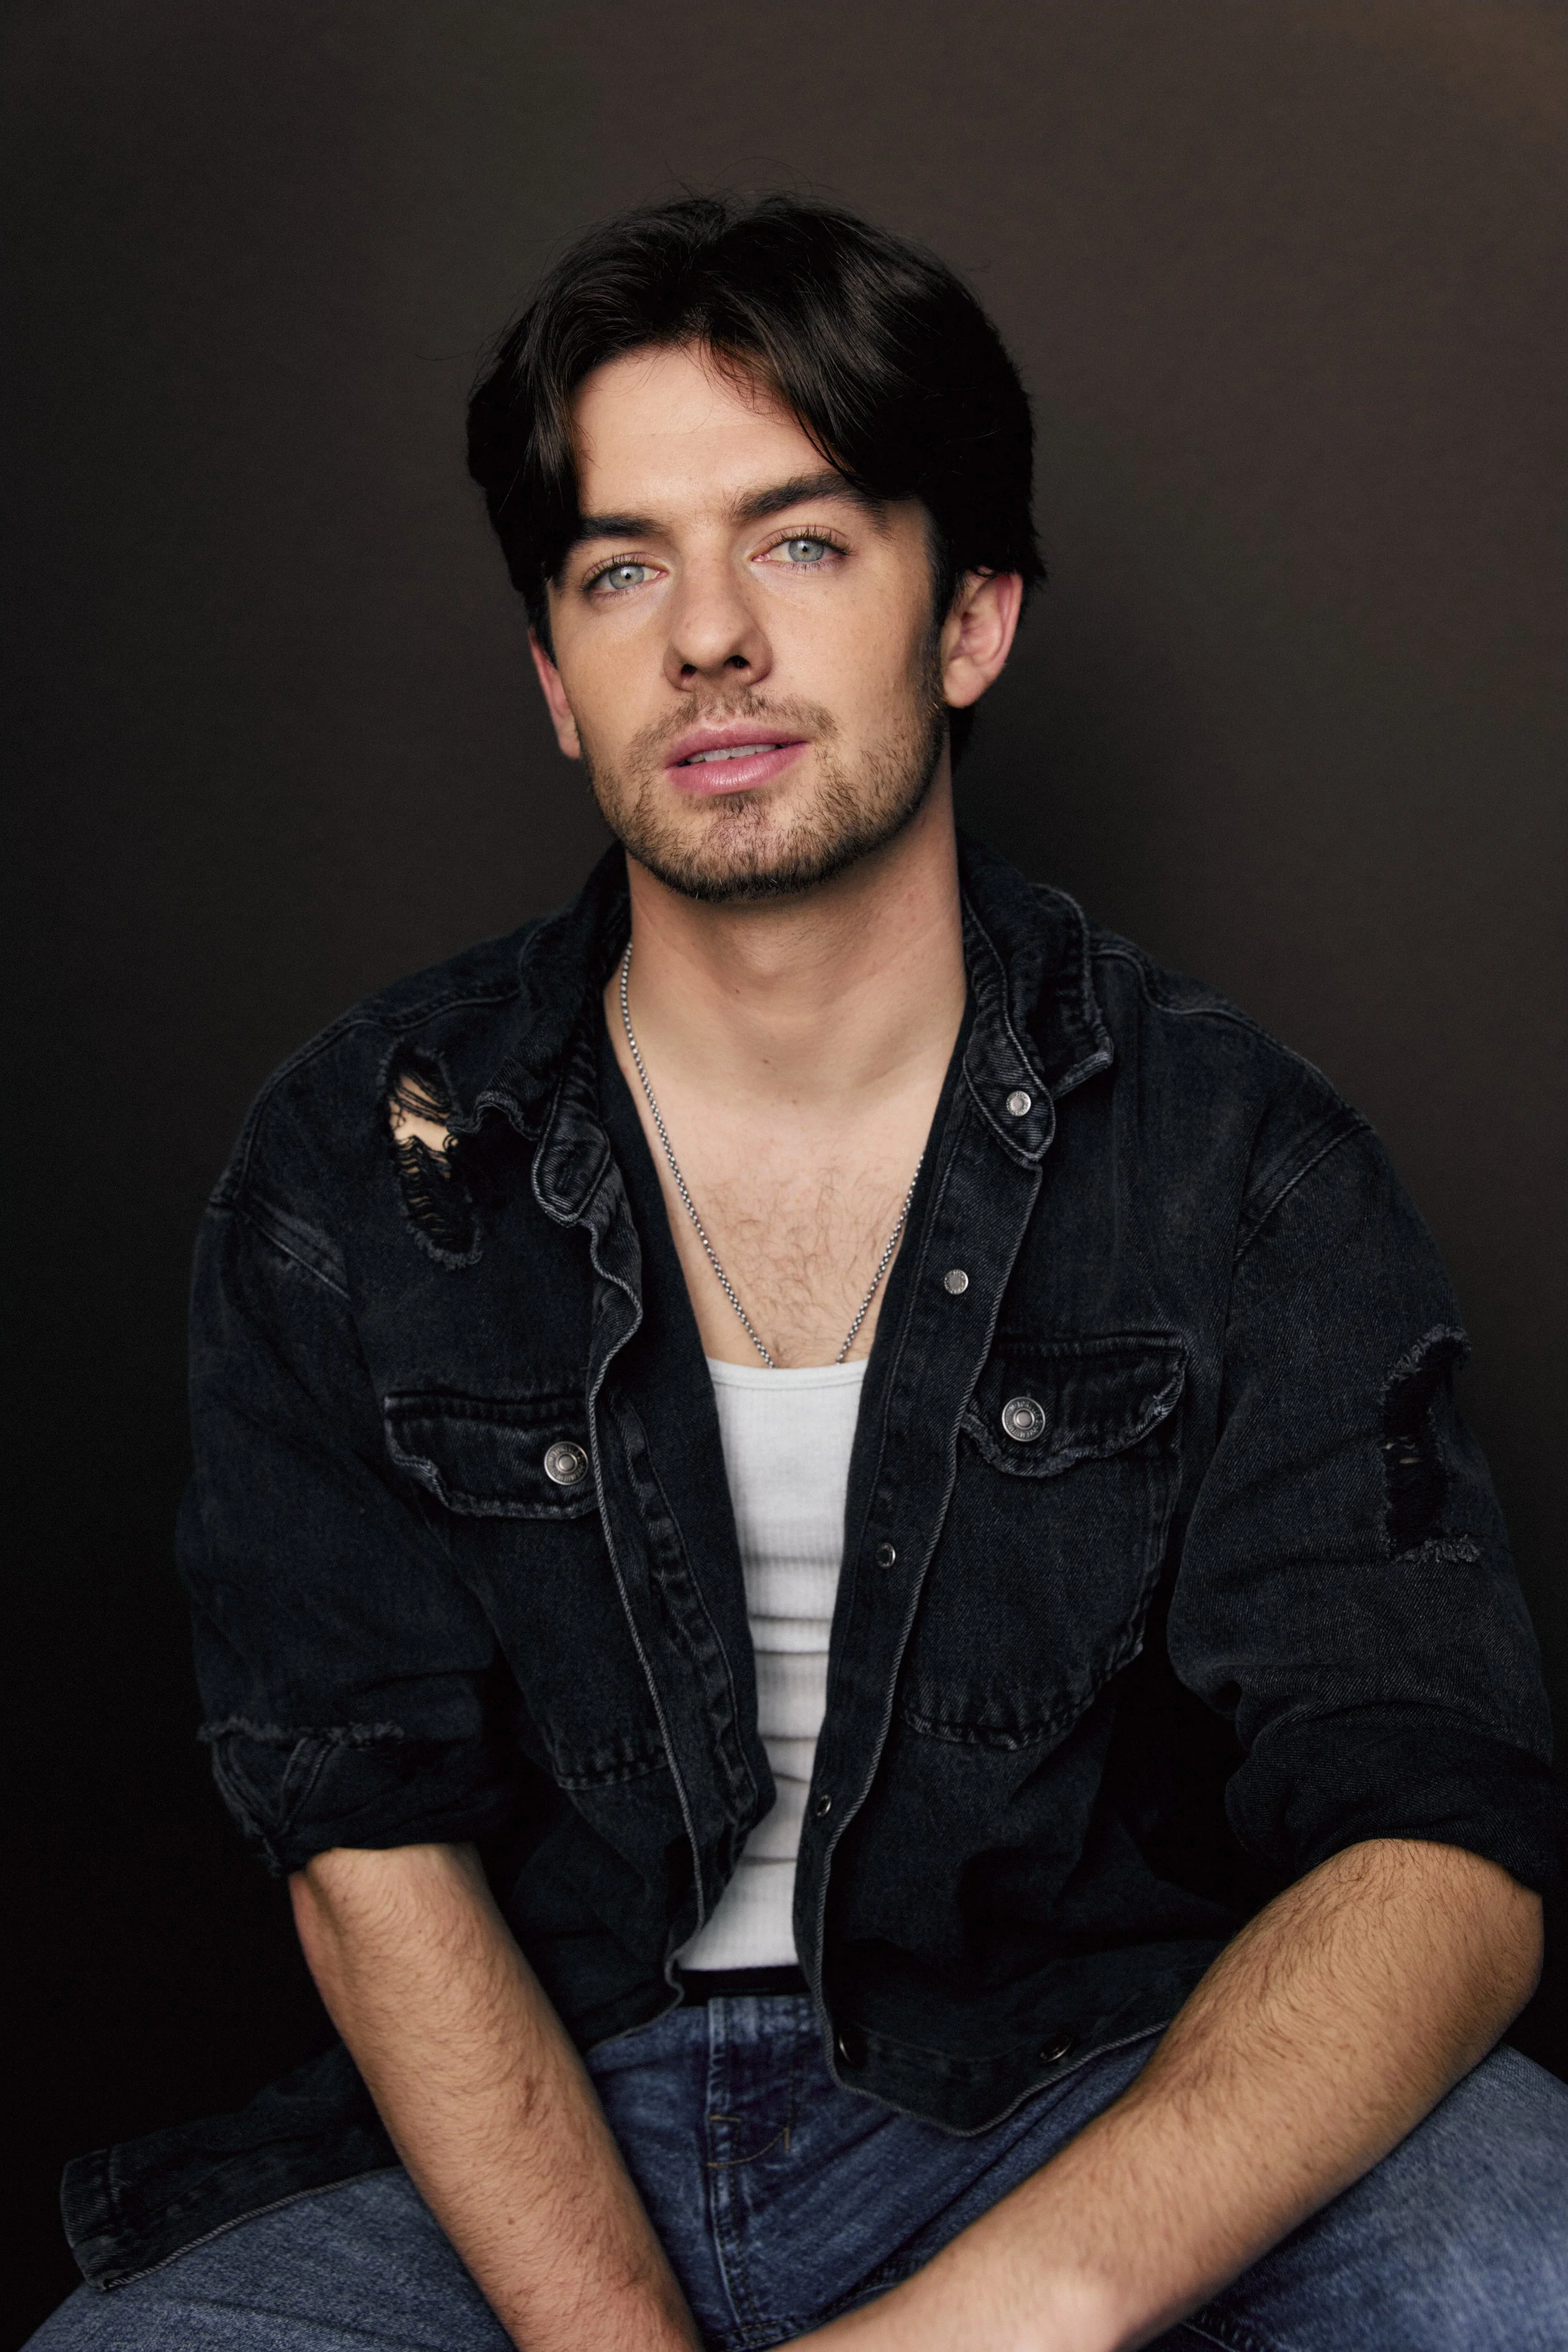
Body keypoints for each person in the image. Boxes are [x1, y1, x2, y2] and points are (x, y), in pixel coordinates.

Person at [33, 194, 1568, 2352]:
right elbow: (362, 1841)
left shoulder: (1234, 1153)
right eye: (621, 565)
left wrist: (1003, 2317)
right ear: (556, 680)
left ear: (971, 620)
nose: (708, 638)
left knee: (1526, 2259)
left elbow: (1446, 1842)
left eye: (802, 541)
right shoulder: (361, 1158)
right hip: (532, 2128)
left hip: (1072, 2097)